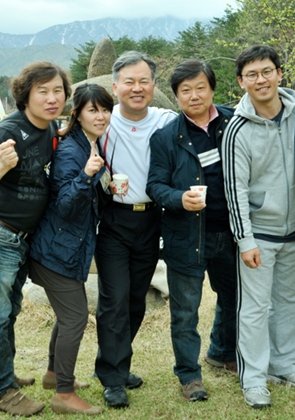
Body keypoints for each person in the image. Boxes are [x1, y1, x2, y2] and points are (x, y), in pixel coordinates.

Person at [0, 61, 71, 417]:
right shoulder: (8, 130)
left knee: (8, 311)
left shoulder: (49, 127)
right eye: (43, 91)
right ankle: (0, 391)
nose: (52, 98)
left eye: (58, 91)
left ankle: (1, 374)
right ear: (26, 95)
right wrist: (1, 164)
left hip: (19, 236)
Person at [223, 44, 295, 409]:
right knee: (255, 309)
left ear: (279, 73)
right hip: (259, 234)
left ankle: (284, 366)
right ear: (241, 82)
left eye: (266, 71)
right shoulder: (237, 129)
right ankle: (254, 379)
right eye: (252, 74)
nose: (260, 80)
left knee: (291, 302)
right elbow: (235, 190)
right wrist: (244, 240)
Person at [146, 59, 238, 402]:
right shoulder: (166, 137)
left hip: (231, 234)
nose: (194, 95)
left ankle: (222, 352)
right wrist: (180, 199)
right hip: (186, 235)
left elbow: (273, 108)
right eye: (186, 90)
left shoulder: (234, 122)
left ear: (212, 89)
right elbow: (155, 185)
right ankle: (189, 375)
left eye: (201, 87)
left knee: (233, 298)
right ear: (176, 96)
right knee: (185, 311)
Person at [94, 50, 178, 409]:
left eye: (144, 81)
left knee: (135, 301)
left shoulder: (165, 120)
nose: (137, 88)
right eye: (129, 82)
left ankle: (115, 362)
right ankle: (113, 378)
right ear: (115, 87)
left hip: (151, 220)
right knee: (113, 300)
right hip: (113, 221)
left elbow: (207, 114)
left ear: (154, 86)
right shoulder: (102, 121)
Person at [28, 84, 114, 416]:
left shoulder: (88, 143)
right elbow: (64, 205)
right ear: (77, 113)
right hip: (55, 251)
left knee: (68, 316)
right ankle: (63, 394)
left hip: (67, 248)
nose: (101, 116)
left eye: (105, 110)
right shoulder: (70, 151)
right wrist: (87, 176)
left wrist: (105, 184)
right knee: (76, 317)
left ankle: (53, 375)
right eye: (93, 110)